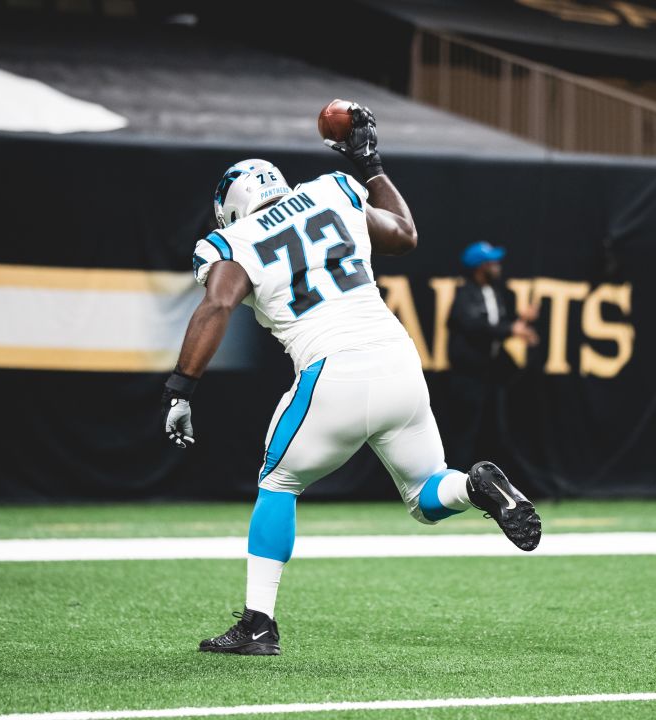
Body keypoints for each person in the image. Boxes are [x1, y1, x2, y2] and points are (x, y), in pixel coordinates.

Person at [164, 104, 543, 656]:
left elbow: (216, 306)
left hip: (332, 368)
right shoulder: (331, 191)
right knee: (426, 493)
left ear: (232, 207)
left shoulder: (232, 242)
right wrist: (370, 163)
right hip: (398, 360)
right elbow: (406, 235)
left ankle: (258, 625)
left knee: (279, 484)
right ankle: (476, 484)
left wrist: (181, 388)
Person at [445, 242, 539, 471]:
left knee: (495, 432)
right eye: (492, 262)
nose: (497, 266)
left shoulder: (494, 293)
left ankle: (492, 484)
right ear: (480, 267)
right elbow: (473, 326)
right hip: (468, 377)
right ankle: (458, 483)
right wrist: (511, 329)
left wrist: (518, 324)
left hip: (491, 374)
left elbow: (493, 327)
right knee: (465, 432)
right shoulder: (465, 295)